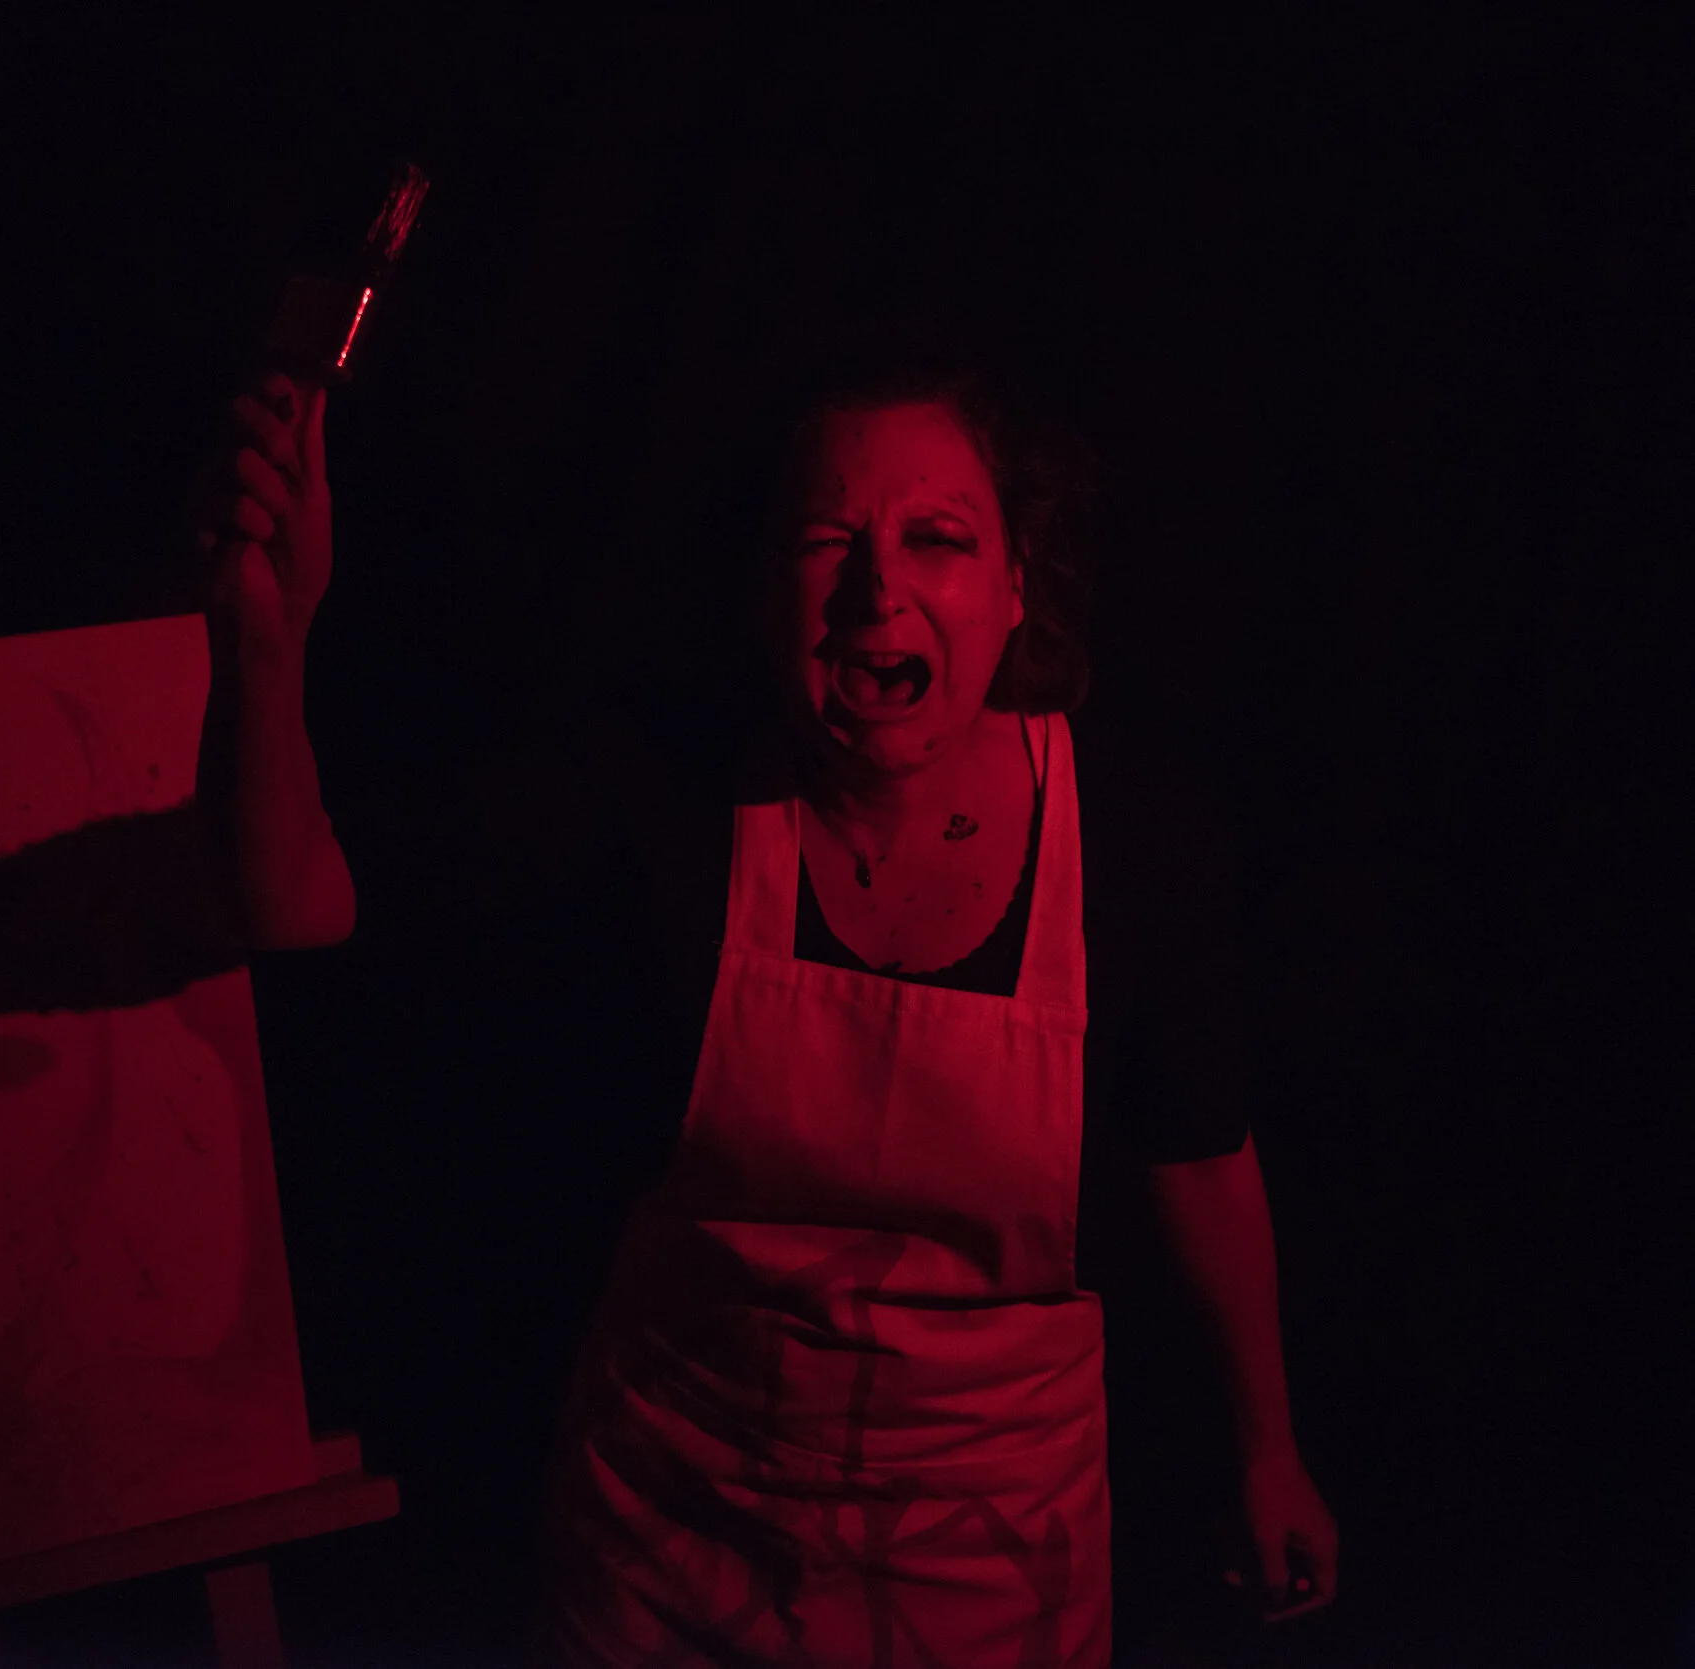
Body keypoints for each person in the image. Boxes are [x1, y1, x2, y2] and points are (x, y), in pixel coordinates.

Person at [189, 337, 1338, 1666]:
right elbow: (288, 900)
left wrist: (1268, 1449)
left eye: (937, 541)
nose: (877, 588)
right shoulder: (664, 806)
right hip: (670, 1568)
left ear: (1018, 584)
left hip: (993, 1584)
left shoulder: (1136, 843)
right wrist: (265, 641)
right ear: (764, 591)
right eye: (826, 541)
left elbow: (1200, 1163)